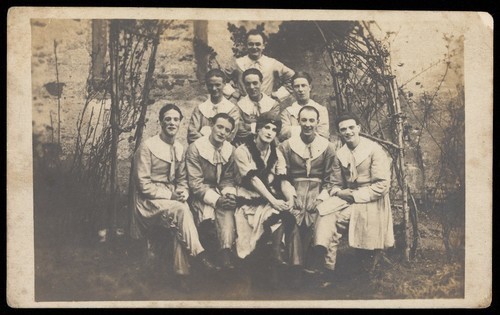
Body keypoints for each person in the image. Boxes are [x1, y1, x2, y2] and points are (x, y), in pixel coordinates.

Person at [130, 103, 218, 291]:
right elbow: (143, 185)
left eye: (176, 119)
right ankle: (199, 255)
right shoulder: (147, 147)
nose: (172, 122)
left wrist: (183, 192)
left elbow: (182, 179)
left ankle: (182, 275)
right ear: (160, 122)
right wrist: (171, 195)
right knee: (181, 210)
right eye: (167, 119)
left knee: (182, 212)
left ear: (180, 123)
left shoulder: (180, 147)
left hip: (172, 202)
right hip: (148, 203)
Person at [309, 112, 395, 282]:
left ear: (358, 128)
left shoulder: (374, 150)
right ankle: (324, 260)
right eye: (343, 129)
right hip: (347, 195)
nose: (348, 132)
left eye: (351, 127)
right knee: (324, 213)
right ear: (339, 132)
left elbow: (382, 185)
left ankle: (358, 267)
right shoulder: (340, 153)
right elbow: (335, 183)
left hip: (371, 197)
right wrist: (340, 193)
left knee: (340, 219)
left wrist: (355, 195)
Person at [232, 113, 301, 268]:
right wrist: (274, 201)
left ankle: (292, 264)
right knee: (277, 214)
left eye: (274, 129)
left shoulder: (276, 153)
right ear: (257, 129)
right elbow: (253, 180)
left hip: (269, 198)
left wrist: (289, 198)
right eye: (266, 128)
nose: (270, 132)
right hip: (249, 198)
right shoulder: (242, 151)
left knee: (287, 215)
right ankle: (275, 254)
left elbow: (282, 178)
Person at [278, 105, 336, 271]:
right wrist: (290, 195)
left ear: (318, 122)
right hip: (294, 189)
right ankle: (295, 265)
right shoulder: (286, 146)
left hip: (318, 190)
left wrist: (321, 198)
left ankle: (314, 263)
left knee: (318, 215)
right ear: (298, 121)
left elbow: (331, 179)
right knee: (292, 216)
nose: (308, 124)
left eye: (312, 120)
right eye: (304, 120)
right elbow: (283, 176)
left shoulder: (328, 147)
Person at [186, 112, 238, 269]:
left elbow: (228, 178)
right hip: (200, 194)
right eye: (219, 127)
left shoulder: (230, 150)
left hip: (219, 191)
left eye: (227, 130)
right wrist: (216, 199)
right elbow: (195, 183)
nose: (222, 132)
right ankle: (206, 258)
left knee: (228, 208)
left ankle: (226, 253)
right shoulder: (196, 148)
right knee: (209, 214)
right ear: (211, 127)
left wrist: (228, 194)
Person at [225, 29, 295, 103]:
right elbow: (221, 78)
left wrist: (277, 95)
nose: (254, 47)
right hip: (244, 104)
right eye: (251, 44)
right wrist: (233, 93)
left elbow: (293, 77)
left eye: (258, 44)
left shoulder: (272, 63)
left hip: (266, 104)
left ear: (263, 46)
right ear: (246, 45)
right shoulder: (238, 63)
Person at [187, 69, 240, 144]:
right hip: (201, 149)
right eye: (210, 85)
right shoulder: (200, 109)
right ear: (206, 85)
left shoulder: (232, 110)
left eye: (217, 85)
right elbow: (192, 133)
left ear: (224, 84)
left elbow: (230, 135)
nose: (214, 88)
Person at [233, 68, 281, 146]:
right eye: (248, 84)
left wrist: (249, 126)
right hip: (246, 143)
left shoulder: (273, 105)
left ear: (261, 82)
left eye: (255, 83)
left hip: (268, 143)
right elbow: (240, 130)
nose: (251, 87)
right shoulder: (239, 106)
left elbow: (273, 128)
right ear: (244, 85)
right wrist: (262, 127)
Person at [279, 71, 330, 142]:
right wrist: (311, 129)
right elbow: (283, 133)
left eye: (303, 85)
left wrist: (294, 128)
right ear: (293, 89)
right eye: (297, 86)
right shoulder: (287, 112)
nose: (300, 89)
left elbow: (323, 134)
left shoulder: (321, 110)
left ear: (310, 87)